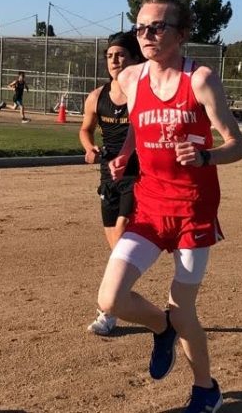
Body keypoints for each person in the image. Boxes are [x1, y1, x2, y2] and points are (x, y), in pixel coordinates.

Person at [96, 0, 242, 413]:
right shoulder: (131, 79)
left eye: (157, 26)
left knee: (185, 311)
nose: (145, 35)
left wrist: (205, 156)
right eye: (140, 27)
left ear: (181, 34)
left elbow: (238, 145)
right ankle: (160, 328)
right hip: (149, 207)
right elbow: (137, 123)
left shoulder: (199, 80)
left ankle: (205, 389)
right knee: (110, 299)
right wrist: (127, 152)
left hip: (193, 212)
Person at [79, 31, 145, 336]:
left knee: (120, 235)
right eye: (109, 55)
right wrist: (89, 148)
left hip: (137, 175)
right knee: (116, 249)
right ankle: (119, 301)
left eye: (120, 55)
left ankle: (107, 310)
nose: (114, 61)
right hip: (108, 178)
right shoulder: (97, 96)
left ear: (134, 59)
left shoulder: (143, 94)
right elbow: (85, 129)